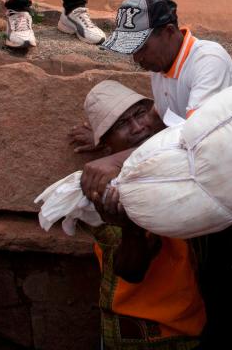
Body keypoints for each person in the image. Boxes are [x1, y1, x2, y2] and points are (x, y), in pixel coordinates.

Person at [81, 0, 232, 349]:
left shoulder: (208, 60)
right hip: (203, 188)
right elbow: (162, 116)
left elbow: (194, 134)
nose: (137, 58)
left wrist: (117, 159)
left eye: (140, 47)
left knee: (225, 287)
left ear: (168, 31)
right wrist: (102, 134)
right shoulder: (161, 68)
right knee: (206, 278)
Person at [76, 81, 206, 350]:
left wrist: (116, 149)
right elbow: (131, 271)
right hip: (145, 335)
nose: (138, 127)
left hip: (185, 322)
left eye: (140, 114)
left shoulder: (165, 160)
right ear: (107, 144)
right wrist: (131, 228)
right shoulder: (108, 189)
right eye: (122, 124)